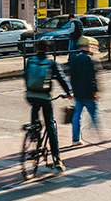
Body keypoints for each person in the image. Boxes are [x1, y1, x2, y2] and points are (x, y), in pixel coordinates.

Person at [24, 40, 73, 171]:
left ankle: (35, 137)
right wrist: (69, 92)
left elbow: (26, 76)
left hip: (31, 96)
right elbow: (61, 78)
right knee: (50, 125)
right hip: (44, 97)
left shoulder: (30, 61)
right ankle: (57, 159)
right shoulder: (51, 63)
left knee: (35, 119)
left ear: (36, 48)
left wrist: (29, 90)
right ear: (47, 49)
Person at [67, 36, 101, 145]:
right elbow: (92, 78)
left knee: (77, 116)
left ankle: (75, 139)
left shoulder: (76, 58)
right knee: (94, 115)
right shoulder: (91, 59)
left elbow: (72, 76)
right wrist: (94, 91)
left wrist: (72, 90)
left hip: (78, 93)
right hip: (88, 93)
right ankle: (97, 135)